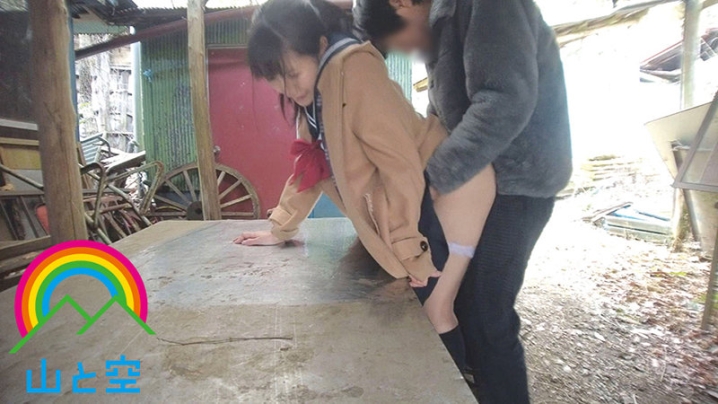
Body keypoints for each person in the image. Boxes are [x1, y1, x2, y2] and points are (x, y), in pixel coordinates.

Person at [232, 0, 496, 371]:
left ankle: (460, 388)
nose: (288, 89)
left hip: (453, 189)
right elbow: (310, 167)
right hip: (421, 194)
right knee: (422, 309)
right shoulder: (316, 98)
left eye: (292, 74)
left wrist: (408, 244)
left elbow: (400, 165)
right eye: (275, 80)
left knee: (435, 310)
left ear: (320, 45)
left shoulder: (355, 72)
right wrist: (281, 228)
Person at [353, 0, 573, 402]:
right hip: (478, 178)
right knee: (463, 305)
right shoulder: (437, 24)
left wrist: (432, 180)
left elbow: (503, 100)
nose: (404, 51)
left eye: (395, 39)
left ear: (400, 2)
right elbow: (442, 112)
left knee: (487, 316)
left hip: (517, 180)